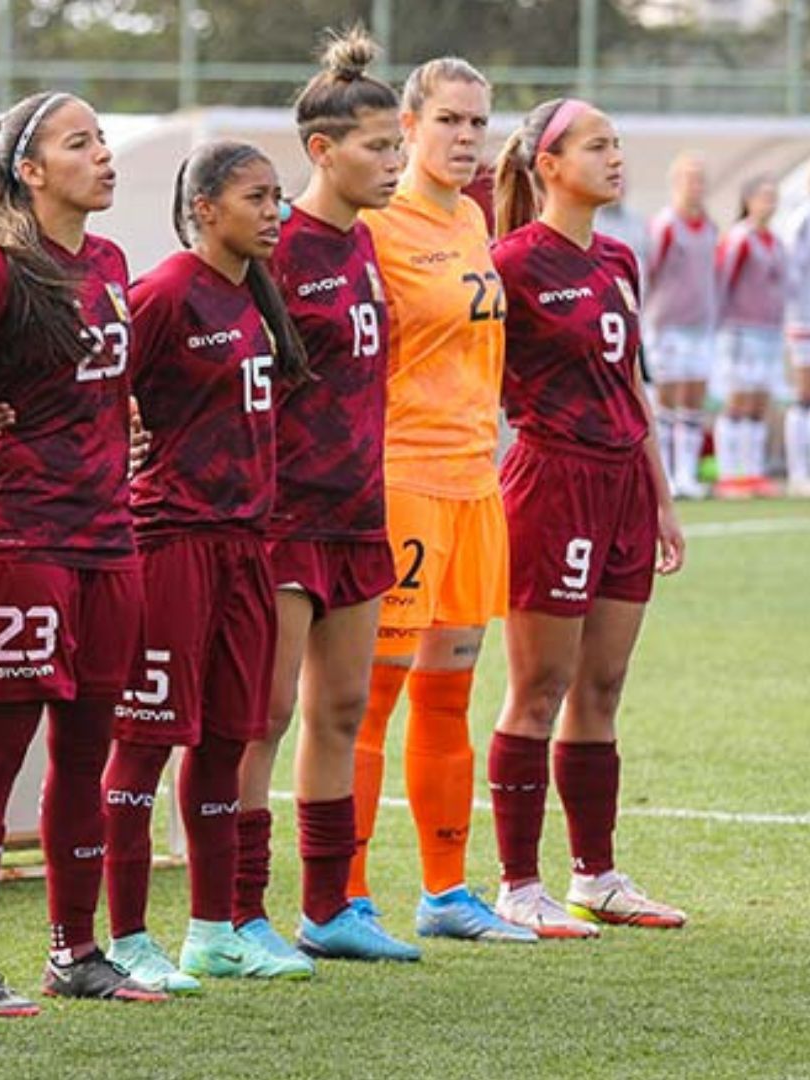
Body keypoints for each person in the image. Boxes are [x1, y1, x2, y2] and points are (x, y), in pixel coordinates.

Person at [0, 90, 166, 1011]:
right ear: (30, 172)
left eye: (105, 137)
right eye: (81, 143)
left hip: (111, 537)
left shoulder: (108, 260)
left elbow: (110, 385)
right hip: (21, 535)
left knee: (86, 751)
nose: (104, 155)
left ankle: (77, 952)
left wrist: (127, 424)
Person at [101, 139, 316, 985]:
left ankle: (213, 928)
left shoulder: (253, 299)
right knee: (145, 742)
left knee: (232, 735)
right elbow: (99, 388)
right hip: (171, 543)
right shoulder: (161, 294)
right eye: (257, 198)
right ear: (203, 208)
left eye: (276, 198)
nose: (274, 213)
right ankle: (123, 938)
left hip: (245, 544)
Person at [235, 28, 422, 965]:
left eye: (399, 147)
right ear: (322, 150)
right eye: (379, 148)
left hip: (358, 514)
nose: (396, 163)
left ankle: (328, 908)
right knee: (262, 715)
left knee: (342, 712)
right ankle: (233, 915)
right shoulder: (277, 245)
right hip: (282, 520)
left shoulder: (366, 247)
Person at [487, 97, 689, 935]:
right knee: (540, 689)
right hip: (552, 482)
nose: (615, 158)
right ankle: (517, 885)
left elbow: (630, 385)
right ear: (549, 163)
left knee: (603, 687)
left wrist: (663, 495)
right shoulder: (507, 262)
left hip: (623, 488)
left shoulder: (618, 258)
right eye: (597, 145)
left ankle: (596, 875)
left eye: (618, 143)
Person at [348, 56, 537, 945]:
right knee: (368, 699)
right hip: (401, 482)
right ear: (411, 126)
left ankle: (446, 892)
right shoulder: (374, 222)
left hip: (474, 483)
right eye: (450, 122)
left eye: (478, 124)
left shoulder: (472, 216)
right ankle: (340, 898)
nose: (467, 140)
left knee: (450, 695)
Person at [643, 156, 716, 500]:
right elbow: (650, 272)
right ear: (676, 184)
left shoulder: (711, 226)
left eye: (700, 180)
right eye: (689, 180)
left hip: (700, 325)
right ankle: (666, 475)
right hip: (668, 325)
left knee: (693, 402)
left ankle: (687, 474)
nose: (696, 187)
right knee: (666, 402)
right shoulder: (665, 225)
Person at [714, 176, 786, 498]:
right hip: (740, 328)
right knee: (738, 400)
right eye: (764, 197)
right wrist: (720, 325)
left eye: (773, 197)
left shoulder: (775, 240)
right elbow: (721, 281)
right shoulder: (739, 238)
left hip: (769, 329)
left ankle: (753, 472)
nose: (769, 203)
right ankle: (730, 474)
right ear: (749, 200)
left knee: (759, 401)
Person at [782, 175, 810, 496]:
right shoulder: (801, 220)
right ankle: (797, 471)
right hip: (803, 317)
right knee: (804, 394)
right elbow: (791, 271)